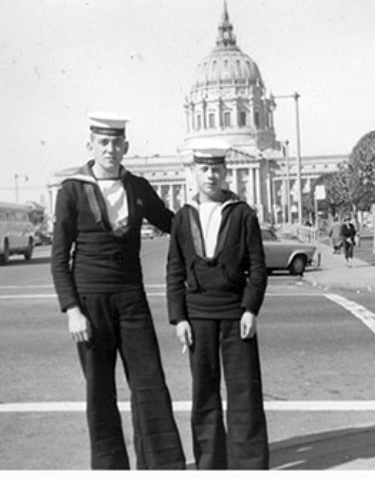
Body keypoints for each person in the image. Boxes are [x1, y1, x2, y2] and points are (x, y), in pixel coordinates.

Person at [51, 112, 185, 470]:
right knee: (99, 391)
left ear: (126, 146)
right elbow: (59, 257)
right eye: (103, 142)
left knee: (150, 382)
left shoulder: (137, 186)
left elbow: (172, 223)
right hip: (89, 301)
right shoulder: (72, 190)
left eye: (116, 143)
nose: (110, 149)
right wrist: (72, 310)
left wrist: (208, 217)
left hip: (131, 298)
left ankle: (161, 467)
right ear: (91, 146)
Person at [167, 138, 269, 470]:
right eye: (204, 169)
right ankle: (210, 465)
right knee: (204, 394)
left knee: (244, 393)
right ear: (194, 173)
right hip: (198, 316)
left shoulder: (242, 213)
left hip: (235, 314)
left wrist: (251, 308)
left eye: (216, 169)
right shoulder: (183, 217)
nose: (210, 175)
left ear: (225, 172)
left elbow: (257, 267)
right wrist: (179, 318)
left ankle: (249, 465)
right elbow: (174, 270)